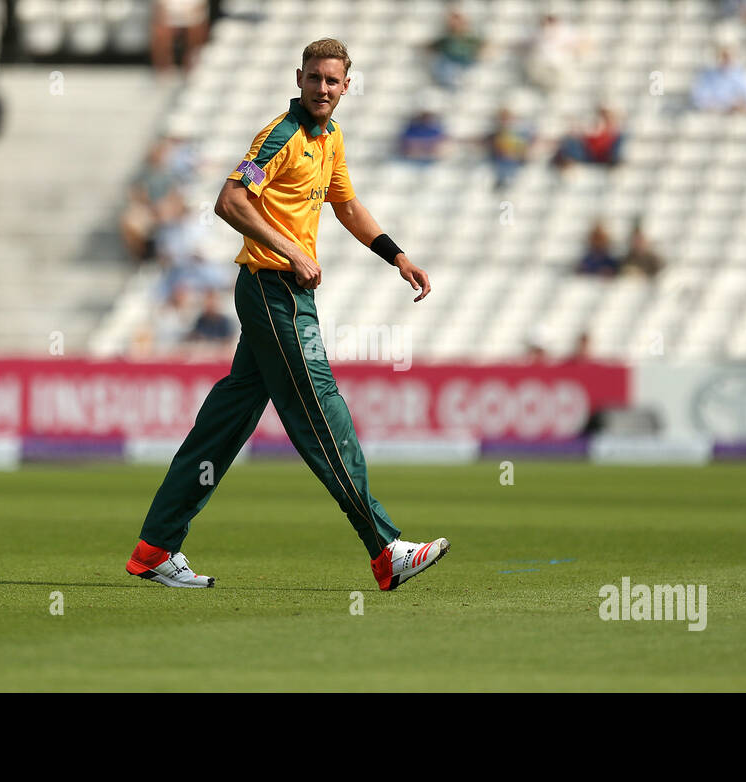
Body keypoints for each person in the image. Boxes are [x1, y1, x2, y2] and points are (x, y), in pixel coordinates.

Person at [124, 39, 447, 591]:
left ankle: (155, 549)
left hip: (283, 292)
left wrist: (397, 255)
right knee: (323, 411)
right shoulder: (282, 134)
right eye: (315, 78)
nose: (323, 88)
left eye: (333, 81)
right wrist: (292, 250)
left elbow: (344, 204)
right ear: (299, 78)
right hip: (275, 290)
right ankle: (385, 549)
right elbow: (229, 200)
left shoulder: (330, 137)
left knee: (224, 426)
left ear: (347, 87)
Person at [690, 47, 746, 114]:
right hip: (715, 116)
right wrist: (724, 106)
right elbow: (700, 98)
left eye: (728, 56)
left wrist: (742, 104)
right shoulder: (708, 75)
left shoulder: (741, 74)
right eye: (723, 56)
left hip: (737, 115)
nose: (726, 60)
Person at [553, 105, 624, 169]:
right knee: (570, 142)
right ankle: (566, 162)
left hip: (603, 156)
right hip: (587, 155)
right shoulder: (589, 126)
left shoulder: (613, 133)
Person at [428, 9, 483, 90]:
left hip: (466, 66)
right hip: (449, 68)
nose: (454, 24)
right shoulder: (445, 39)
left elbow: (482, 48)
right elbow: (431, 47)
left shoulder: (470, 39)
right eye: (452, 22)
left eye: (457, 22)